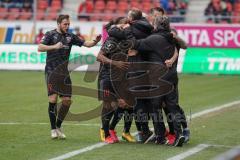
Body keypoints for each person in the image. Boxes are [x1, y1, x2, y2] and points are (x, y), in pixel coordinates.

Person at [38, 14, 101, 139]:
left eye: (68, 24)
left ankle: (58, 125)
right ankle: (53, 130)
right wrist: (54, 46)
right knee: (53, 100)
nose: (67, 26)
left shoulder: (70, 36)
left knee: (67, 101)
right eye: (65, 24)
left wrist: (95, 42)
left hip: (65, 73)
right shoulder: (50, 34)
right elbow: (40, 47)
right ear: (59, 24)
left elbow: (86, 44)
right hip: (52, 72)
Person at [132, 16, 185, 147]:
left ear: (155, 26)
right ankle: (179, 134)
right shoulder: (171, 38)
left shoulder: (152, 39)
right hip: (172, 76)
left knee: (155, 107)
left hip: (158, 78)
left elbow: (135, 45)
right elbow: (182, 48)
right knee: (172, 106)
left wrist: (128, 31)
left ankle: (160, 136)